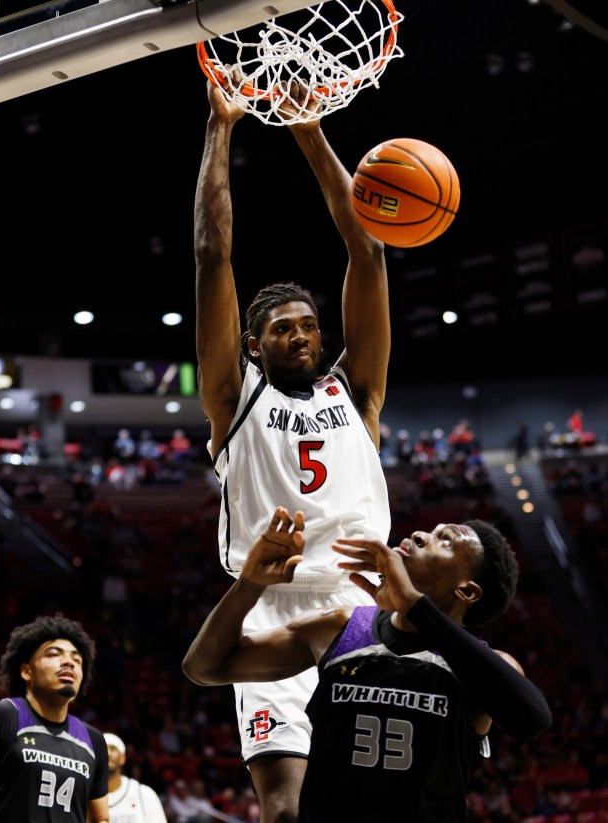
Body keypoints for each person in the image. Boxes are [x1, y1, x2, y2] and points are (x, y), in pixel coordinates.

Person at [194, 75, 391, 819]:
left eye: (309, 325)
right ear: (253, 344)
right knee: (284, 810)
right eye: (284, 328)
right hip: (271, 609)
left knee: (376, 796)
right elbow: (214, 258)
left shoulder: (357, 395)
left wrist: (309, 129)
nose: (303, 334)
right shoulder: (235, 399)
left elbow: (366, 252)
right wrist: (223, 129)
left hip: (364, 604)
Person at [183, 507, 552, 823]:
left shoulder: (482, 669)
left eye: (446, 541)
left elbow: (533, 719)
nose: (422, 534)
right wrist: (249, 583)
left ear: (466, 591)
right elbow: (204, 667)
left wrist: (414, 607)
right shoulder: (339, 627)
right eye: (432, 531)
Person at [0, 614, 109, 822]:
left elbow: (100, 818)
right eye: (54, 654)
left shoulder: (93, 740)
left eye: (77, 659)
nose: (68, 662)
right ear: (26, 671)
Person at [104, 732, 168, 822]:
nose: (108, 753)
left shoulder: (144, 793)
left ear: (123, 758)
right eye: (103, 749)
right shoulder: (84, 794)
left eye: (113, 749)